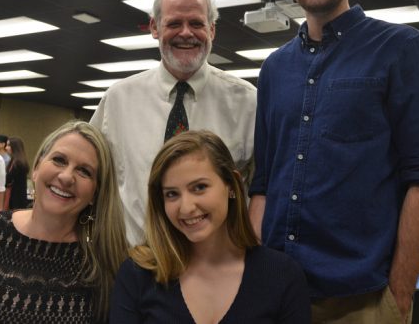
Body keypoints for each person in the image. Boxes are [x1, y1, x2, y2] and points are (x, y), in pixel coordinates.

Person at [248, 0, 419, 323]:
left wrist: (398, 299)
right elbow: (264, 183)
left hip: (361, 300)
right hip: (274, 293)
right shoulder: (274, 68)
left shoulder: (403, 49)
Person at [91, 0, 257, 245]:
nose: (186, 33)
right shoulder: (118, 100)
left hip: (217, 268)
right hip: (137, 266)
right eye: (174, 23)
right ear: (155, 27)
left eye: (196, 23)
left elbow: (264, 189)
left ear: (212, 30)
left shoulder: (248, 102)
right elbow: (90, 176)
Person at [0, 120, 128, 324]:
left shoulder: (104, 261)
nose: (66, 176)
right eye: (59, 160)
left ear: (95, 193)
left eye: (84, 171)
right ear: (36, 168)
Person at [110, 130, 310, 323]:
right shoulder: (138, 275)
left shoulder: (282, 275)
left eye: (199, 187)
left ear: (231, 185)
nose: (186, 208)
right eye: (172, 194)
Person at [5, 136, 30, 210]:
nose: (6, 148)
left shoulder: (18, 163)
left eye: (9, 145)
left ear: (15, 147)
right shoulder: (13, 161)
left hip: (17, 199)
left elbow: (8, 180)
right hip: (14, 197)